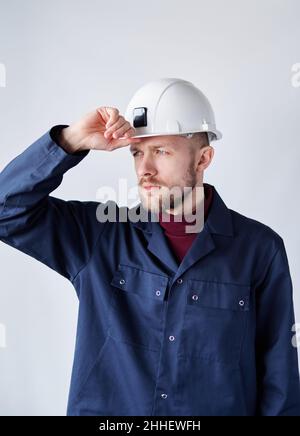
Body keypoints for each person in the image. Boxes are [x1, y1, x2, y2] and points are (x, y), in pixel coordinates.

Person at [0, 78, 299, 416]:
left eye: (161, 151)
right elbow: (5, 211)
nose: (144, 169)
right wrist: (70, 141)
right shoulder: (100, 235)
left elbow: (279, 380)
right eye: (137, 152)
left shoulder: (259, 250)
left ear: (203, 159)